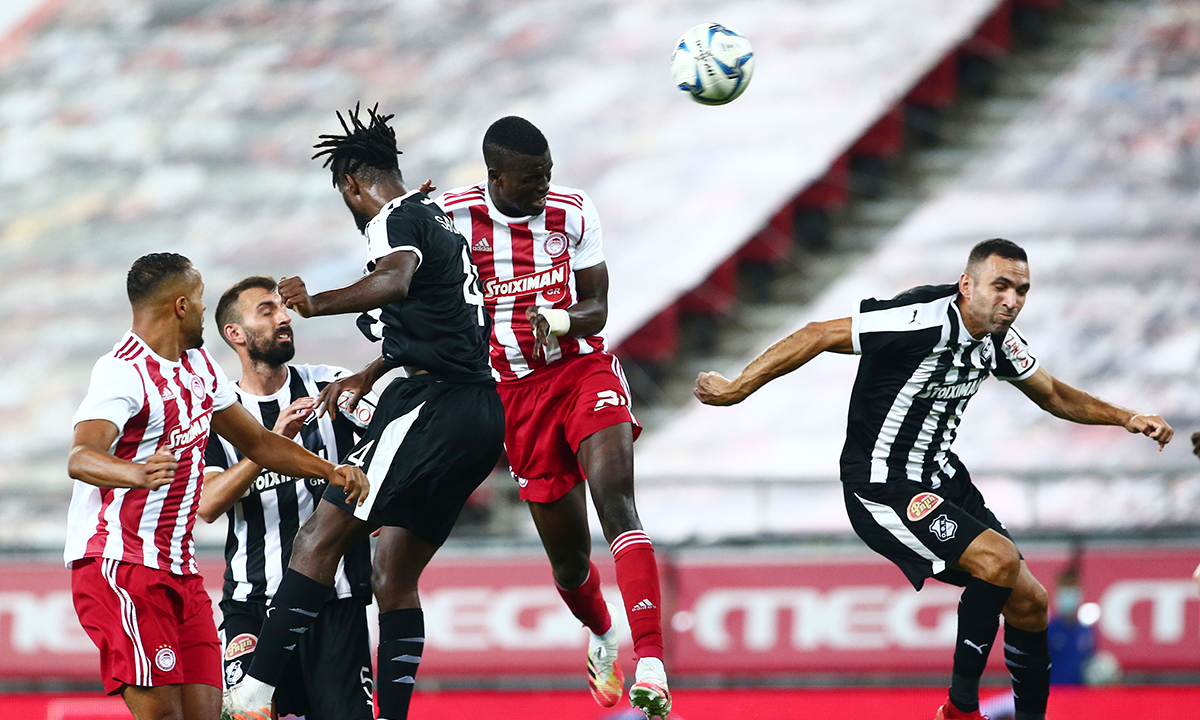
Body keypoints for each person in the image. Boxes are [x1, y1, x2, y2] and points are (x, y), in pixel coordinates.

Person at [694, 238, 1173, 720]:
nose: (1011, 300)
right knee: (999, 560)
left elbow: (1052, 394)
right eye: (1000, 286)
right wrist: (738, 387)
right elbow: (818, 333)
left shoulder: (999, 340)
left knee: (1031, 601)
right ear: (967, 285)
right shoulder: (921, 320)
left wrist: (1126, 417)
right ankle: (960, 710)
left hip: (942, 478)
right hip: (882, 485)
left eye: (1022, 290)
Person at [222, 104, 505, 720]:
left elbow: (396, 281)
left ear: (352, 183)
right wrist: (372, 371)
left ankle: (254, 691)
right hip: (481, 414)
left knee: (316, 537)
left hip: (433, 404)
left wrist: (316, 303)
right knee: (393, 572)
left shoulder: (393, 219)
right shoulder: (435, 219)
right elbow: (435, 322)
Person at [66, 253, 368, 720]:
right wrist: (136, 473)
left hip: (180, 569)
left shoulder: (199, 367)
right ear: (181, 306)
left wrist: (330, 471)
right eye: (201, 298)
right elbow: (81, 456)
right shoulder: (122, 370)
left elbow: (259, 443)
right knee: (164, 715)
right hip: (121, 563)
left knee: (209, 714)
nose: (206, 308)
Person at [437, 116, 669, 719]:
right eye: (531, 178)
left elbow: (598, 307)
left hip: (581, 372)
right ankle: (603, 634)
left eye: (548, 173)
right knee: (568, 564)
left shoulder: (573, 212)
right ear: (496, 177)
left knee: (617, 502)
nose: (544, 186)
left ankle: (651, 661)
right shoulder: (451, 218)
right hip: (514, 398)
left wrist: (560, 320)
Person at [200, 276, 378, 720]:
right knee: (248, 716)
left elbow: (392, 446)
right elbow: (207, 504)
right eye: (267, 311)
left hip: (335, 603)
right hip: (252, 603)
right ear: (235, 334)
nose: (284, 318)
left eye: (283, 308)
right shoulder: (218, 415)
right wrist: (268, 446)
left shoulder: (331, 386)